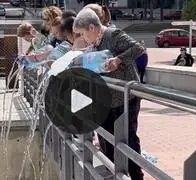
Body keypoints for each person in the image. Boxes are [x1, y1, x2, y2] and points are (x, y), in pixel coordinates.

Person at [73, 8, 145, 180]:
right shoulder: (94, 44)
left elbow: (139, 48)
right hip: (107, 99)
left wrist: (119, 60)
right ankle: (115, 173)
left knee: (128, 140)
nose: (83, 38)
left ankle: (136, 176)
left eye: (83, 33)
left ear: (92, 27)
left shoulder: (113, 35)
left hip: (125, 98)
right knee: (106, 138)